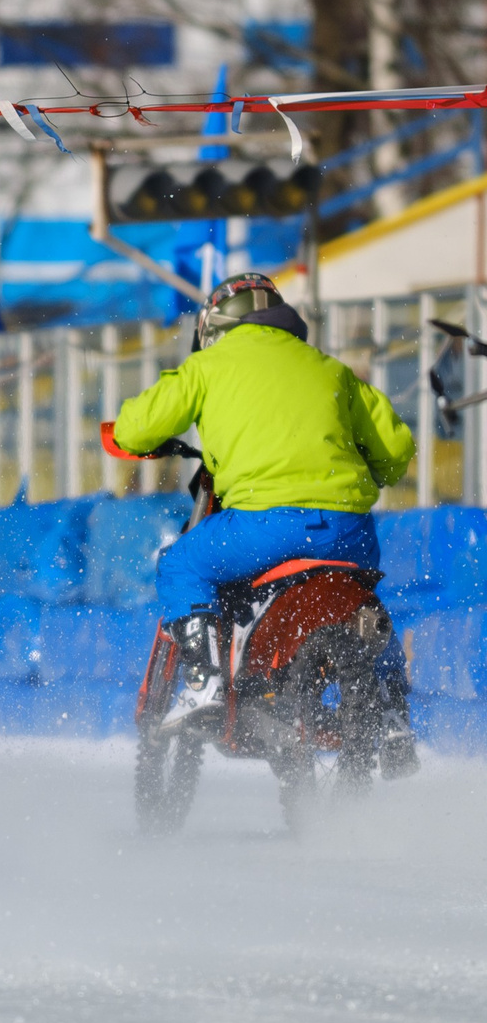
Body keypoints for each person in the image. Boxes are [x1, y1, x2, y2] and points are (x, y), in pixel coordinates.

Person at [112, 271, 416, 765]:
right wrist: (370, 474)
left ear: (215, 325)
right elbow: (397, 447)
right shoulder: (330, 369)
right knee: (365, 605)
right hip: (348, 532)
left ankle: (204, 682)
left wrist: (127, 439)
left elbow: (137, 427)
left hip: (264, 526)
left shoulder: (208, 366)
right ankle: (395, 714)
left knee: (182, 565)